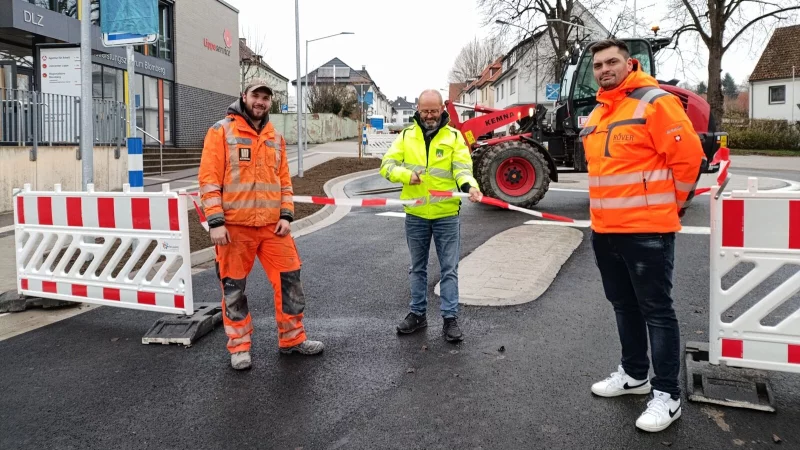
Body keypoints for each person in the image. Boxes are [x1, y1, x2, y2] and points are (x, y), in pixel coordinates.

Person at [579, 39, 705, 432]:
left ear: (628, 63)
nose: (604, 69)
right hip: (606, 231)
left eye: (611, 61)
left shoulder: (655, 102)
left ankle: (667, 397)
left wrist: (673, 206)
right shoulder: (599, 112)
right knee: (624, 305)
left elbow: (688, 160)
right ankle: (634, 375)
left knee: (657, 311)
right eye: (598, 65)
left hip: (647, 231)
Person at [198, 79, 324, 370]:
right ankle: (239, 347)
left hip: (272, 228)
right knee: (234, 290)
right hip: (234, 229)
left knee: (290, 280)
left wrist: (286, 215)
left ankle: (292, 339)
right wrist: (215, 222)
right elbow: (208, 180)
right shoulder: (221, 131)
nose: (261, 102)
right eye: (256, 95)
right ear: (244, 96)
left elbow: (284, 182)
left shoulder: (274, 137)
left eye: (266, 98)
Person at [380, 89, 482, 342]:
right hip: (416, 214)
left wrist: (470, 187)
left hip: (446, 214)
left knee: (449, 269)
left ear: (441, 109)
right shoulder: (406, 136)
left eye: (434, 111)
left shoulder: (454, 137)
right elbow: (387, 166)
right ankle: (417, 314)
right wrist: (406, 175)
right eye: (425, 111)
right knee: (417, 268)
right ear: (418, 109)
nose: (429, 115)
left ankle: (450, 319)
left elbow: (462, 169)